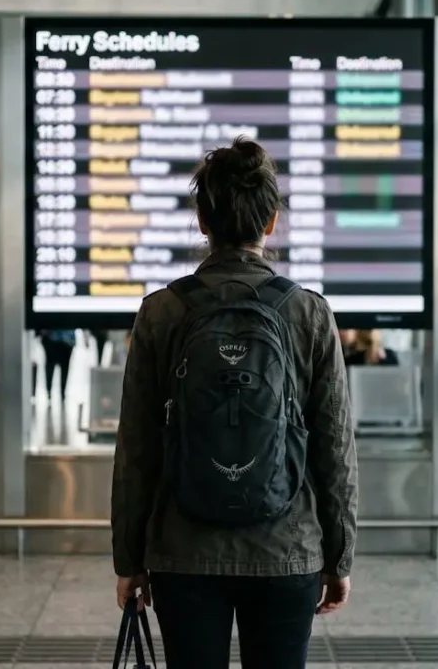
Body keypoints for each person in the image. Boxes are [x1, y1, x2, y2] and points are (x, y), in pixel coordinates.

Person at [111, 137, 357, 668]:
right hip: (286, 549)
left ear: (203, 219)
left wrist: (128, 558)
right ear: (271, 222)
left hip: (183, 548)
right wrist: (339, 556)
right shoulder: (310, 314)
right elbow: (334, 447)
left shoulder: (160, 312)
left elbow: (136, 448)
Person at [36, 329, 77, 402]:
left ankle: (59, 393)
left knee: (59, 370)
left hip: (64, 341)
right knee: (52, 369)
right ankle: (51, 392)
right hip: (55, 340)